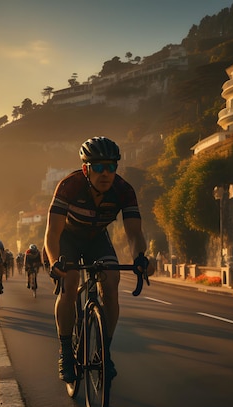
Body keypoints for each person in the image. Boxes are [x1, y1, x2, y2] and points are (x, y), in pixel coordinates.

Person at [44, 136, 154, 382]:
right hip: (67, 238)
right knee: (70, 284)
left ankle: (103, 351)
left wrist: (140, 257)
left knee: (112, 283)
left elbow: (134, 233)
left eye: (112, 167)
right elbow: (52, 233)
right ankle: (65, 352)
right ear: (86, 169)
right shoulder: (69, 186)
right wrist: (54, 262)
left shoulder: (123, 190)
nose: (106, 173)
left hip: (96, 238)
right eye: (99, 167)